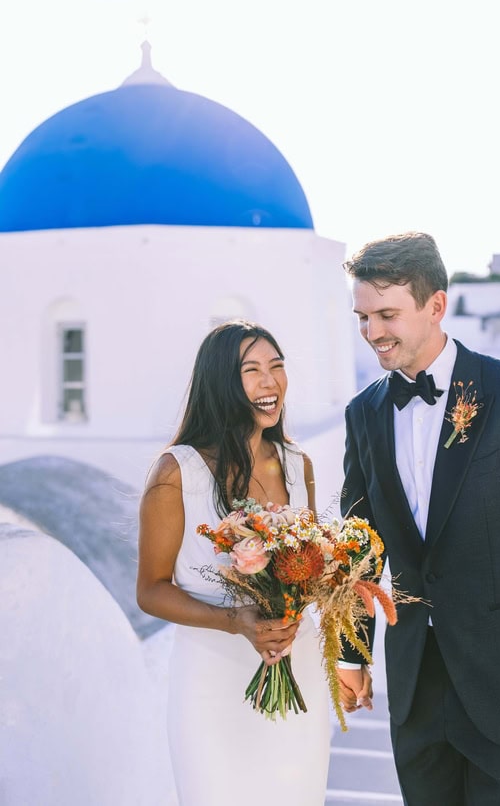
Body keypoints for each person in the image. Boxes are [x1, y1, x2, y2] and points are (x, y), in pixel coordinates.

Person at [335, 231, 500, 805]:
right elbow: (358, 550)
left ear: (436, 305)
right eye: (362, 317)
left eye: (387, 314)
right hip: (416, 693)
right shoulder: (363, 415)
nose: (372, 333)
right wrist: (352, 652)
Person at [136, 320, 330, 806]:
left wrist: (328, 577)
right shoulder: (176, 472)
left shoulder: (296, 463)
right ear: (221, 382)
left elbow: (303, 569)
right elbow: (151, 589)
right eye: (252, 370)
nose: (270, 382)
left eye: (277, 366)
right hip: (211, 681)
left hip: (297, 669)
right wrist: (234, 621)